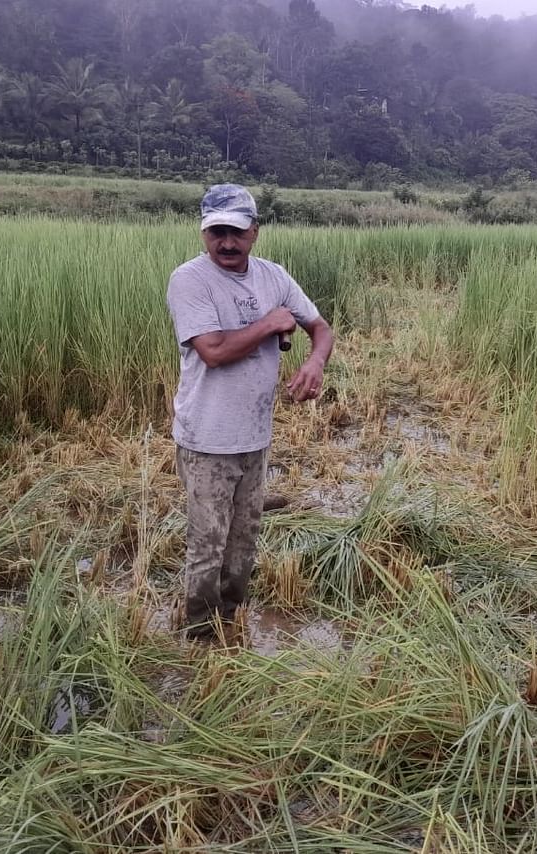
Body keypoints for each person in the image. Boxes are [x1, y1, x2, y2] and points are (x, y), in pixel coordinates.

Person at [165, 184, 334, 639]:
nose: (226, 242)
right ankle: (201, 636)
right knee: (208, 544)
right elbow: (214, 351)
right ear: (203, 232)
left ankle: (232, 621)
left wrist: (315, 361)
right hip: (207, 438)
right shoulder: (190, 280)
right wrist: (270, 324)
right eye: (216, 231)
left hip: (254, 436)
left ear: (254, 232)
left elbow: (319, 326)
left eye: (236, 232)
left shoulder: (273, 276)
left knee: (244, 541)